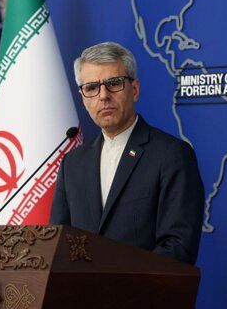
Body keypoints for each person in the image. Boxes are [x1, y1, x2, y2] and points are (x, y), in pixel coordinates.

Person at [50, 42, 204, 265]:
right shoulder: (72, 163)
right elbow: (58, 245)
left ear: (135, 90)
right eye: (91, 87)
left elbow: (178, 247)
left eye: (114, 83)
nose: (103, 96)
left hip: (144, 288)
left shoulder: (172, 155)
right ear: (83, 98)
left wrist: (114, 279)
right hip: (82, 289)